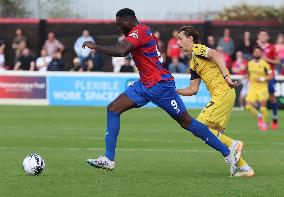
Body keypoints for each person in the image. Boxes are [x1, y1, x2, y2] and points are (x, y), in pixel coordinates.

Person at [82, 8, 239, 176]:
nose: (118, 28)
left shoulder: (139, 31)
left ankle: (227, 150)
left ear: (128, 22)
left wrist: (95, 46)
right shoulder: (144, 31)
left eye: (119, 25)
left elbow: (121, 51)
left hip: (160, 85)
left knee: (187, 122)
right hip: (144, 85)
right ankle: (108, 159)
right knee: (113, 109)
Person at [176, 26, 254, 177]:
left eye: (180, 38)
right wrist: (174, 91)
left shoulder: (198, 49)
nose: (177, 42)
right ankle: (245, 168)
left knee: (198, 126)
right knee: (213, 137)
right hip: (221, 94)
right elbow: (193, 89)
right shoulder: (193, 63)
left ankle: (234, 144)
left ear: (190, 38)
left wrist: (226, 76)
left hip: (223, 92)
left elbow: (216, 54)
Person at [256, 29, 280, 129]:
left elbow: (278, 62)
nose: (263, 37)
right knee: (261, 100)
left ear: (267, 37)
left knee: (272, 98)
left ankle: (274, 120)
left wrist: (267, 60)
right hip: (258, 77)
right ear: (259, 37)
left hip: (269, 76)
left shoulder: (272, 47)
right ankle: (263, 122)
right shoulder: (256, 48)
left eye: (264, 35)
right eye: (261, 35)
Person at [245, 47, 273, 131]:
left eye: (258, 52)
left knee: (263, 107)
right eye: (255, 52)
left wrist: (262, 79)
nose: (257, 53)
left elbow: (271, 76)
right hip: (253, 88)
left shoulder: (265, 64)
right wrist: (247, 79)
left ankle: (264, 123)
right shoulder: (250, 63)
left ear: (261, 53)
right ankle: (259, 116)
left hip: (262, 88)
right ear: (253, 53)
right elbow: (249, 74)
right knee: (248, 106)